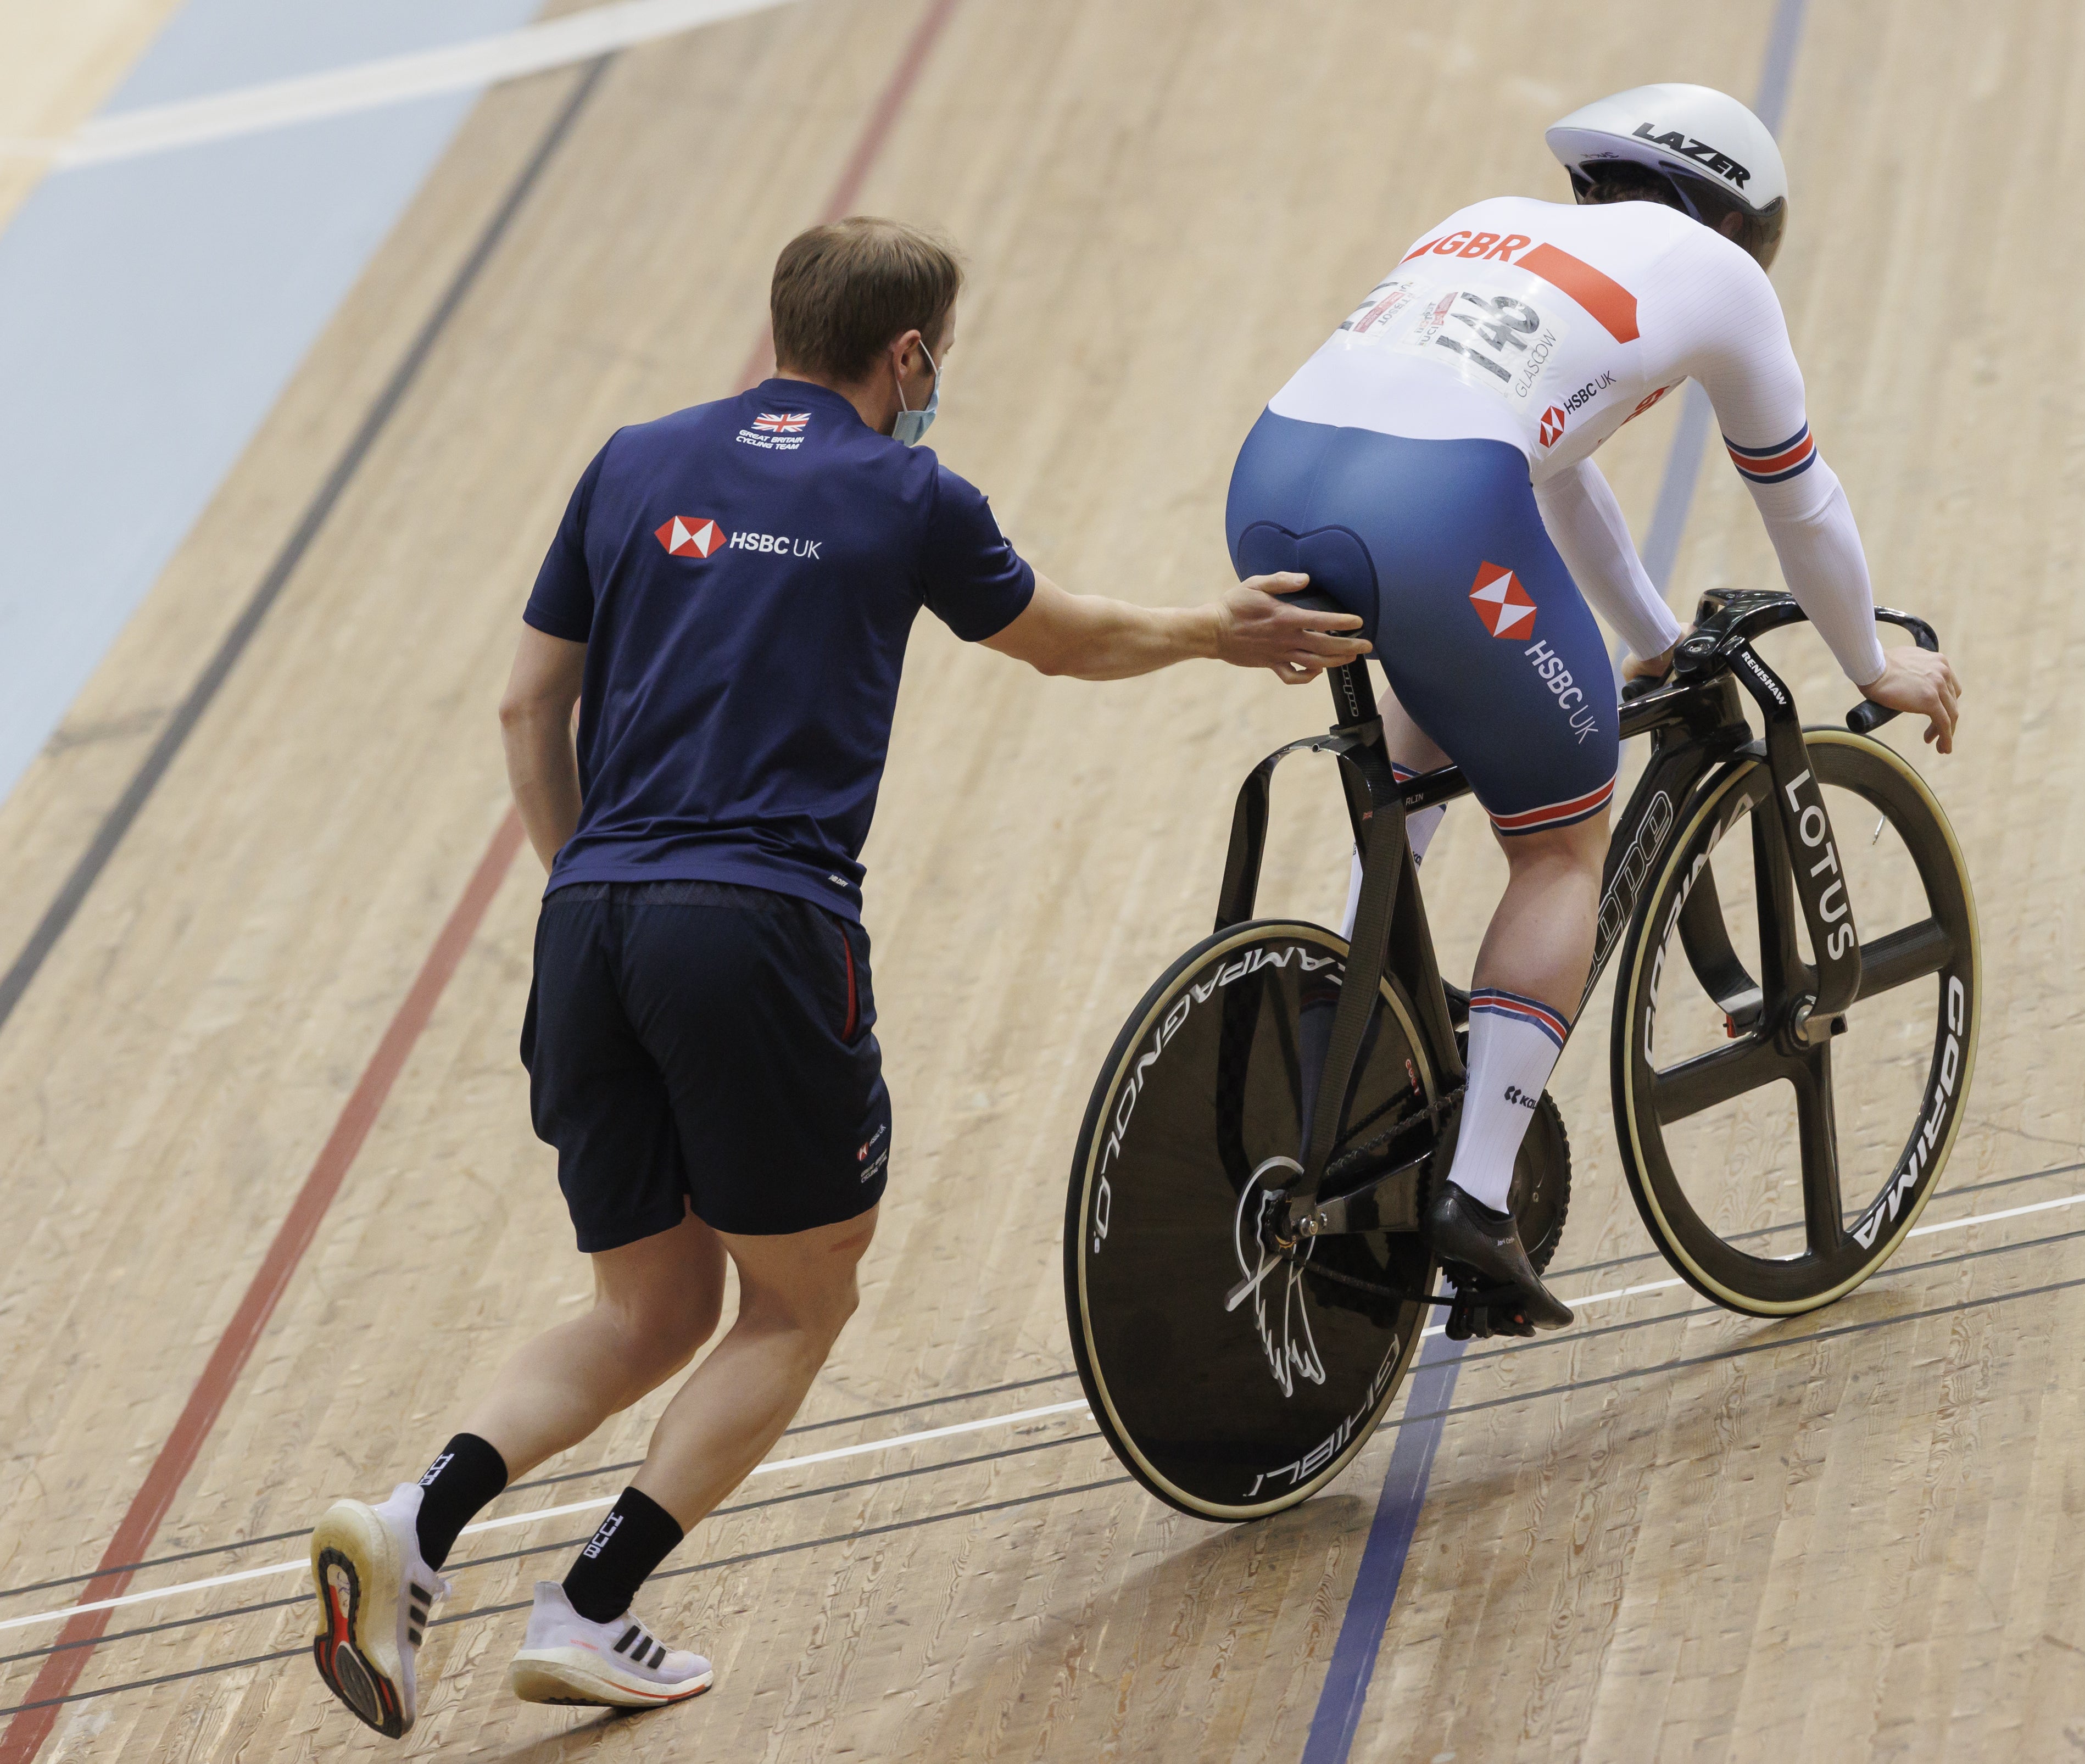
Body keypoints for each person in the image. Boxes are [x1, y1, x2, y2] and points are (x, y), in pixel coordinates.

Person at [304, 216, 1365, 1739]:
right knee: (801, 1299)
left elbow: (525, 708)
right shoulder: (906, 487)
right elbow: (1061, 642)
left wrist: (593, 899)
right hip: (757, 926)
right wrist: (1222, 627)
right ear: (910, 353)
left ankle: (414, 1522)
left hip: (593, 917)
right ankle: (592, 1604)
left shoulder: (632, 460)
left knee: (647, 1304)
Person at [1226, 83, 1961, 1333]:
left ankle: (1338, 1067)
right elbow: (1804, 503)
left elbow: (1558, 485)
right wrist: (1868, 661)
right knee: (1561, 841)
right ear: (1733, 216)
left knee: (1431, 735)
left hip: (1275, 485)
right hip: (1439, 510)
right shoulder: (1716, 275)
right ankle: (1472, 1198)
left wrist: (1660, 643)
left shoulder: (1490, 225)